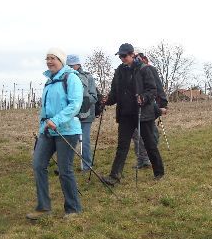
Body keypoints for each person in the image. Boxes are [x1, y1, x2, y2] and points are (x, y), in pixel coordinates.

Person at [27, 48, 83, 221]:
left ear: (61, 60)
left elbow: (75, 105)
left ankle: (73, 209)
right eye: (47, 58)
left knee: (65, 170)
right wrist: (42, 127)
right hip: (47, 130)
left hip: (67, 129)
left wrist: (57, 120)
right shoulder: (49, 81)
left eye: (53, 58)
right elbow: (46, 109)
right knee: (38, 164)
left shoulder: (71, 78)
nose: (49, 61)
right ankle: (43, 207)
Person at [102, 43, 165, 185]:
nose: (122, 58)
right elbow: (115, 93)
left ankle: (159, 172)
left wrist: (144, 97)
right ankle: (114, 176)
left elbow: (152, 90)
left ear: (132, 55)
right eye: (120, 56)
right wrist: (107, 100)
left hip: (143, 113)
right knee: (122, 146)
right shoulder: (119, 71)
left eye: (124, 56)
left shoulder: (144, 69)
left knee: (150, 144)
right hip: (125, 114)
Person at [132, 52, 168, 169]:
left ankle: (146, 158)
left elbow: (157, 87)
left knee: (148, 134)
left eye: (137, 57)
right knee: (138, 134)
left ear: (143, 59)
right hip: (135, 108)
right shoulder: (132, 70)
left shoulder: (149, 69)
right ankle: (142, 159)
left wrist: (163, 104)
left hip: (150, 107)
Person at [66, 54, 98, 172]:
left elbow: (94, 97)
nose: (70, 67)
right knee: (68, 141)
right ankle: (65, 165)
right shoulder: (65, 77)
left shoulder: (88, 77)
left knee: (84, 141)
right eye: (68, 65)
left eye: (72, 65)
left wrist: (83, 99)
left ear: (78, 65)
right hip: (71, 114)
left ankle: (87, 166)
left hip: (87, 114)